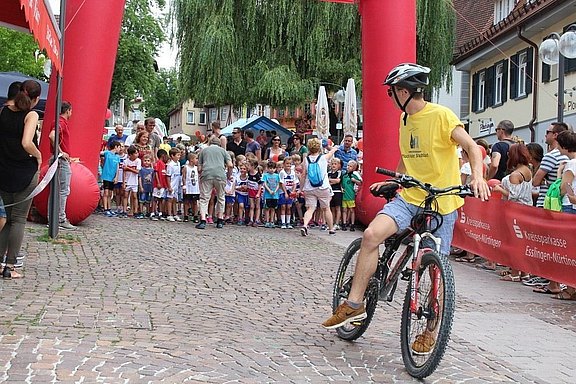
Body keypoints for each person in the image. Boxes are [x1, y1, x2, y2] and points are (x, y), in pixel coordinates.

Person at [321, 64, 490, 354]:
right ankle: (354, 304)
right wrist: (393, 181)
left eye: (391, 92)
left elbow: (472, 148)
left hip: (442, 202)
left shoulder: (441, 115)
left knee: (435, 268)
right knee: (372, 235)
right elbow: (407, 157)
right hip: (410, 197)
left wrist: (477, 177)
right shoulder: (404, 119)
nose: (389, 97)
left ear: (403, 91)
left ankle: (430, 331)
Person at [0, 80, 43, 279]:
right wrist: (38, 154)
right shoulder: (31, 114)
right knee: (18, 220)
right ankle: (10, 266)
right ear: (34, 99)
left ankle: (0, 263)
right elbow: (27, 142)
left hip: (4, 170)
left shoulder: (3, 111)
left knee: (7, 219)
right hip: (24, 172)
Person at [491, 143, 533, 282]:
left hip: (515, 211)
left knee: (514, 242)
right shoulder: (528, 170)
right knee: (522, 242)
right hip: (526, 210)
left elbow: (512, 195)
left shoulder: (515, 175)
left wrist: (498, 189)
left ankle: (515, 272)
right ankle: (524, 272)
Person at [299, 138, 338, 236]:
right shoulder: (323, 158)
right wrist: (334, 148)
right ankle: (331, 228)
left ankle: (305, 225)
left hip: (309, 187)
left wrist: (301, 188)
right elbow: (332, 151)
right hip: (323, 187)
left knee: (310, 209)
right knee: (326, 208)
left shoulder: (306, 160)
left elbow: (303, 175)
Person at [48, 100, 76, 230]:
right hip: (60, 160)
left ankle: (52, 218)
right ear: (68, 110)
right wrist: (61, 152)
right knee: (63, 190)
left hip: (57, 158)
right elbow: (52, 136)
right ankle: (60, 218)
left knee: (55, 189)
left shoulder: (58, 121)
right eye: (71, 111)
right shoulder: (61, 123)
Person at [195, 136, 233, 229]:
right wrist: (228, 175)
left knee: (204, 198)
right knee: (221, 197)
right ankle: (220, 220)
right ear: (219, 143)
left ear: (210, 143)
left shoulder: (203, 151)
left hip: (207, 175)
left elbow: (199, 168)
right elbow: (230, 165)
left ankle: (203, 220)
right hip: (220, 175)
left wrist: (201, 174)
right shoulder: (224, 151)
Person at [100, 141, 122, 217]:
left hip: (112, 177)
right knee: (106, 193)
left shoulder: (117, 157)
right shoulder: (107, 153)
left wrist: (116, 177)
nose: (120, 149)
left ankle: (109, 208)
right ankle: (105, 209)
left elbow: (117, 168)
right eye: (119, 147)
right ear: (116, 147)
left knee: (110, 193)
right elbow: (100, 153)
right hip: (106, 176)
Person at [341, 159, 362, 232]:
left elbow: (360, 183)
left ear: (353, 168)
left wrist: (354, 180)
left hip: (351, 195)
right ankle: (344, 223)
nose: (348, 167)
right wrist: (341, 188)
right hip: (344, 195)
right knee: (344, 210)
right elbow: (342, 184)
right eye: (348, 166)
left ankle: (352, 224)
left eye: (350, 166)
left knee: (351, 210)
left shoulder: (354, 175)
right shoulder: (344, 175)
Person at [150, 149, 169, 221]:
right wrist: (158, 182)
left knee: (161, 199)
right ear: (163, 156)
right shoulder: (158, 163)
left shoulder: (164, 164)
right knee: (155, 198)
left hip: (163, 185)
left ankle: (160, 213)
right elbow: (156, 172)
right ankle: (152, 212)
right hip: (158, 184)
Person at [122, 145, 141, 218]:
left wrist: (128, 169)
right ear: (130, 154)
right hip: (127, 181)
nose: (137, 154)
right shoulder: (126, 161)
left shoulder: (138, 161)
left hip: (134, 182)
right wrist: (124, 182)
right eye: (135, 153)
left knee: (134, 196)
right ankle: (124, 210)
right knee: (125, 196)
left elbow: (137, 171)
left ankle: (135, 211)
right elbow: (124, 172)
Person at [278, 157, 296, 229]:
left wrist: (292, 191)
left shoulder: (293, 172)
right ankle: (283, 222)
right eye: (287, 164)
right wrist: (285, 192)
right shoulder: (282, 172)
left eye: (290, 164)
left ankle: (288, 222)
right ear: (284, 164)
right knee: (283, 206)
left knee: (289, 207)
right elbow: (281, 183)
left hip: (290, 190)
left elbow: (295, 183)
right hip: (283, 191)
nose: (288, 165)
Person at [182, 152, 200, 222]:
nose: (197, 160)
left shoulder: (196, 168)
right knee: (186, 202)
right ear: (191, 159)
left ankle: (195, 215)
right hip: (188, 187)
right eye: (196, 158)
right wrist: (184, 186)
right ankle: (186, 215)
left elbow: (198, 177)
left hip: (195, 188)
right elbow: (184, 177)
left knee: (195, 202)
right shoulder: (186, 167)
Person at [262, 161, 281, 228]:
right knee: (267, 208)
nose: (271, 170)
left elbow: (279, 184)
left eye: (273, 168)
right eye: (270, 168)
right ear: (267, 168)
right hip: (268, 195)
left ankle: (272, 221)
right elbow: (264, 184)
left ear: (275, 169)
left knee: (273, 208)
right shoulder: (265, 175)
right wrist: (269, 190)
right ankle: (267, 221)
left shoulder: (277, 176)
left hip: (275, 195)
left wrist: (275, 191)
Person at [165, 147, 182, 221]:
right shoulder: (170, 165)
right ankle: (169, 214)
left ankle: (175, 214)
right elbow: (168, 176)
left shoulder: (178, 163)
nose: (179, 156)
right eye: (177, 155)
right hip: (171, 184)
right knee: (170, 199)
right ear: (172, 156)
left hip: (177, 184)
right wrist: (169, 186)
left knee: (175, 200)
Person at [246, 158, 262, 227]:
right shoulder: (249, 173)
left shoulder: (257, 175)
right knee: (252, 206)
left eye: (248, 165)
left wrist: (258, 193)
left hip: (256, 191)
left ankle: (257, 220)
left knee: (257, 206)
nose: (247, 167)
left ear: (253, 166)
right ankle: (251, 219)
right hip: (250, 191)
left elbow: (260, 185)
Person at [328, 158, 343, 230]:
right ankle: (332, 222)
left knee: (338, 208)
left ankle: (337, 223)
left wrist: (330, 180)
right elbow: (327, 182)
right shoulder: (329, 173)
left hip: (337, 191)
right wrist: (332, 181)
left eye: (335, 164)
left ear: (338, 165)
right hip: (330, 192)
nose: (333, 165)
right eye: (332, 164)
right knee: (332, 208)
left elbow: (338, 181)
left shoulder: (339, 172)